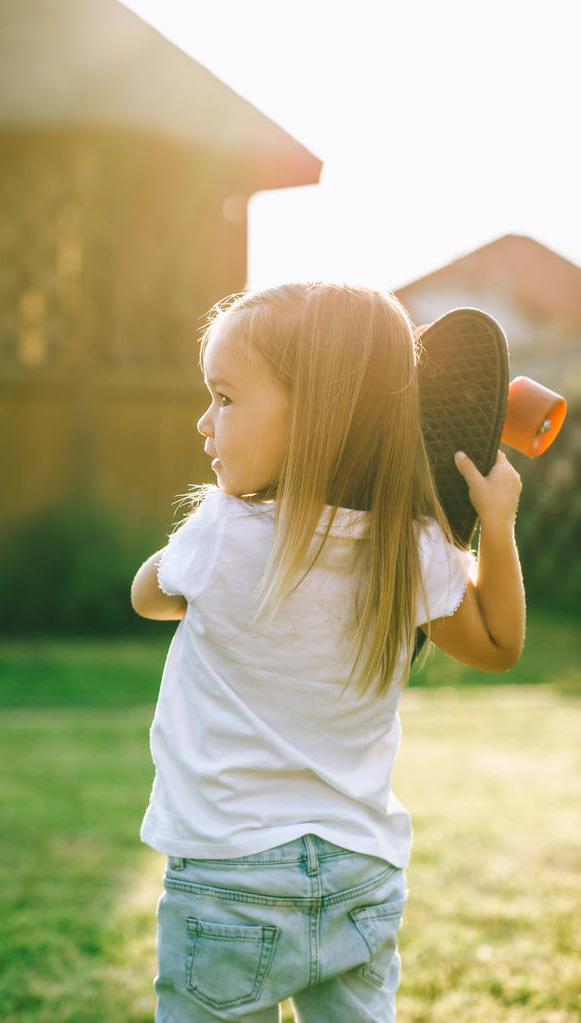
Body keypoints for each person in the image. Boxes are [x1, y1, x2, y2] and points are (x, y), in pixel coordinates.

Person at [131, 282, 525, 1022]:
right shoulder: (409, 548)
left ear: (316, 416)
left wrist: (198, 542)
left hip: (228, 876)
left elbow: (146, 595)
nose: (203, 422)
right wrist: (494, 525)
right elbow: (499, 646)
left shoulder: (217, 535)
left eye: (224, 398)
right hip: (358, 877)